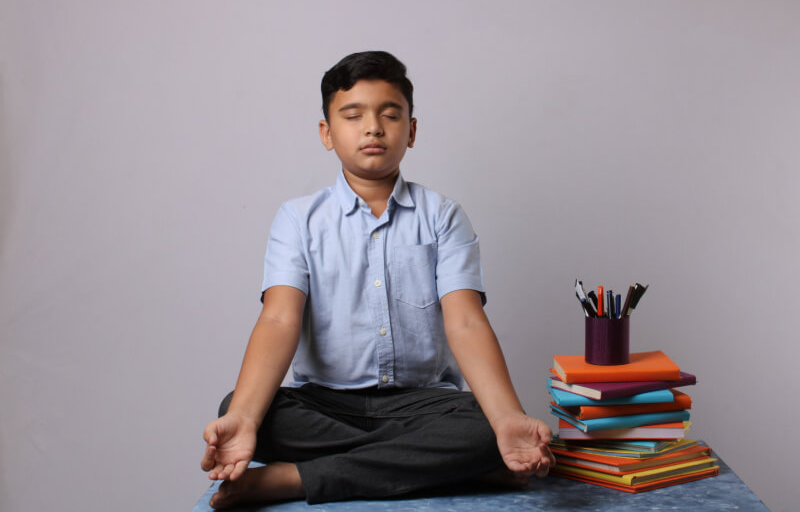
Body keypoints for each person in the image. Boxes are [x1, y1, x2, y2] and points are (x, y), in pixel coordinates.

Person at [200, 51, 555, 508]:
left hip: (423, 406)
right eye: (353, 116)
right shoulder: (298, 219)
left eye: (390, 115)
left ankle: (297, 479)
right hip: (326, 404)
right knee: (238, 409)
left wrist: (506, 418)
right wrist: (246, 418)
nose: (373, 127)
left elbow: (465, 322)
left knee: (491, 425)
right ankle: (449, 468)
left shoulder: (442, 217)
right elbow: (278, 320)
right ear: (327, 133)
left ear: (411, 130)